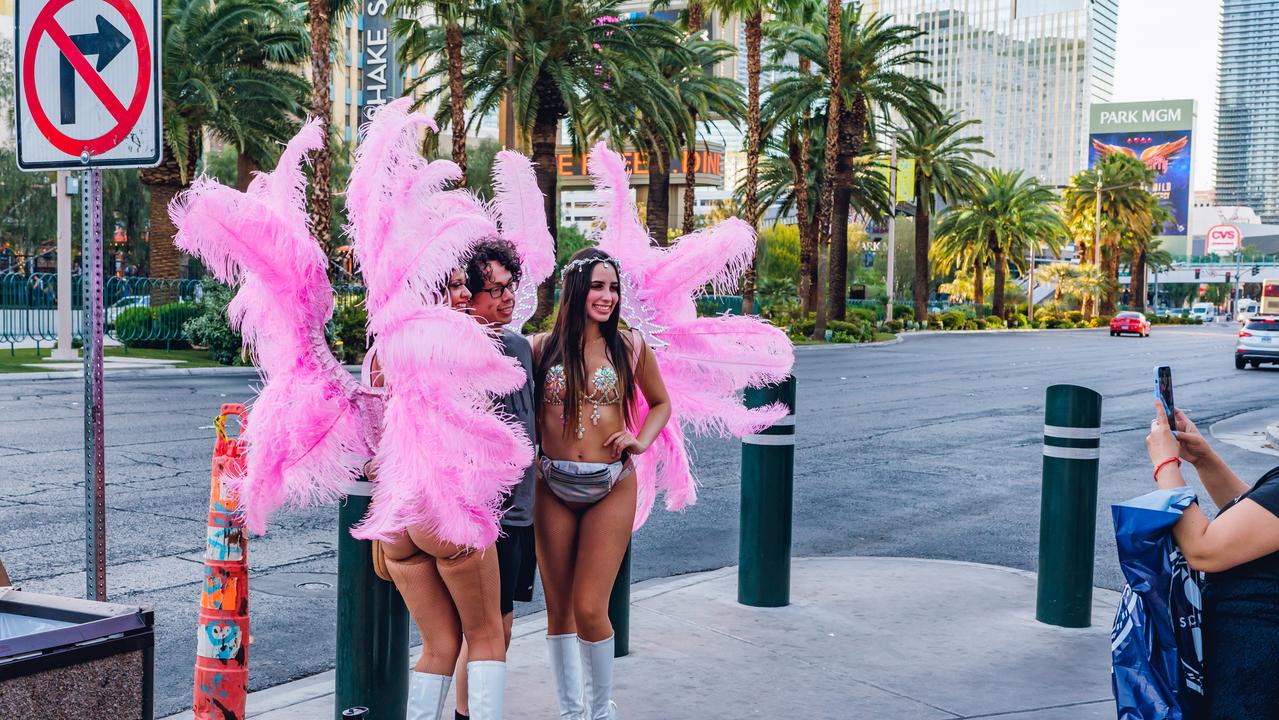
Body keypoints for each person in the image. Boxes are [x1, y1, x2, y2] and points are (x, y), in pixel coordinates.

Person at [532, 248, 672, 720]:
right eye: (597, 285)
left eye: (613, 288)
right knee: (559, 611)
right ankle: (572, 712)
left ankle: (599, 711)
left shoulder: (630, 346)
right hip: (552, 484)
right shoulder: (540, 347)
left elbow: (660, 404)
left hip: (611, 485)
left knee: (591, 607)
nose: (608, 296)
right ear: (575, 288)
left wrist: (639, 439)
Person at [367, 267, 510, 720]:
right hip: (445, 507)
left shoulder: (380, 351)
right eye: (452, 283)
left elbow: (370, 441)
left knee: (437, 645)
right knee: (485, 636)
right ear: (427, 291)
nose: (466, 291)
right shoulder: (455, 346)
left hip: (397, 520)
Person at [1146, 405, 1279, 717]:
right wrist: (1204, 461)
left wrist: (1166, 465)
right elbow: (1257, 523)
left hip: (1255, 672)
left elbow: (1203, 550)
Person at [451, 239, 536, 720]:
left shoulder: (521, 347)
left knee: (503, 627)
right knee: (485, 631)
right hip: (484, 514)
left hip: (522, 509)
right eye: (495, 289)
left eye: (511, 287)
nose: (506, 297)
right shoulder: (457, 353)